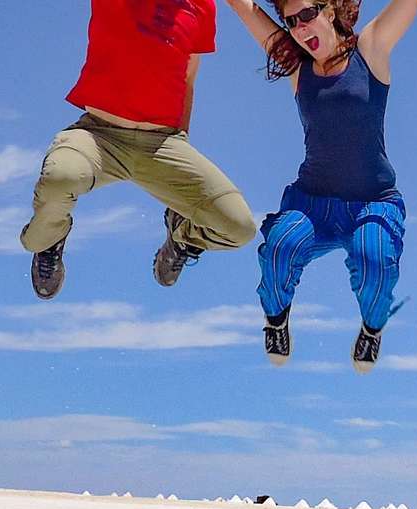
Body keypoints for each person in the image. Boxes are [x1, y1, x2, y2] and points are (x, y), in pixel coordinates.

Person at [223, 0, 417, 371]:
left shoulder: (370, 49)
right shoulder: (296, 65)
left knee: (375, 260)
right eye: (291, 21)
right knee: (280, 248)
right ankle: (277, 320)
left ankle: (372, 328)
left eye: (308, 15)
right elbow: (244, 9)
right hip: (312, 203)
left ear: (329, 11)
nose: (300, 27)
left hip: (373, 201)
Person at [21, 0, 259, 300]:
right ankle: (49, 240)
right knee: (61, 178)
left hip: (163, 143)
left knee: (239, 227)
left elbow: (188, 79)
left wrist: (179, 143)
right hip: (99, 135)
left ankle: (182, 237)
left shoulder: (203, 7)